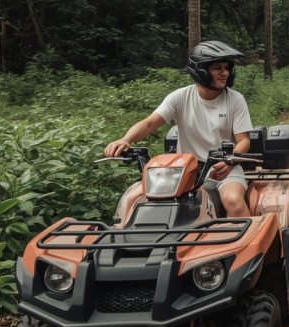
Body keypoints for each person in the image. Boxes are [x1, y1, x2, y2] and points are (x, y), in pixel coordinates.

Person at [104, 40, 254, 217]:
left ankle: (251, 244)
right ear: (201, 70)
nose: (225, 73)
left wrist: (230, 161)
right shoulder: (180, 97)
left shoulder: (235, 100)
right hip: (186, 169)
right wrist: (125, 140)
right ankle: (124, 240)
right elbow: (150, 122)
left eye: (227, 68)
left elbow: (244, 141)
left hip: (223, 167)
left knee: (233, 201)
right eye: (218, 68)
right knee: (133, 199)